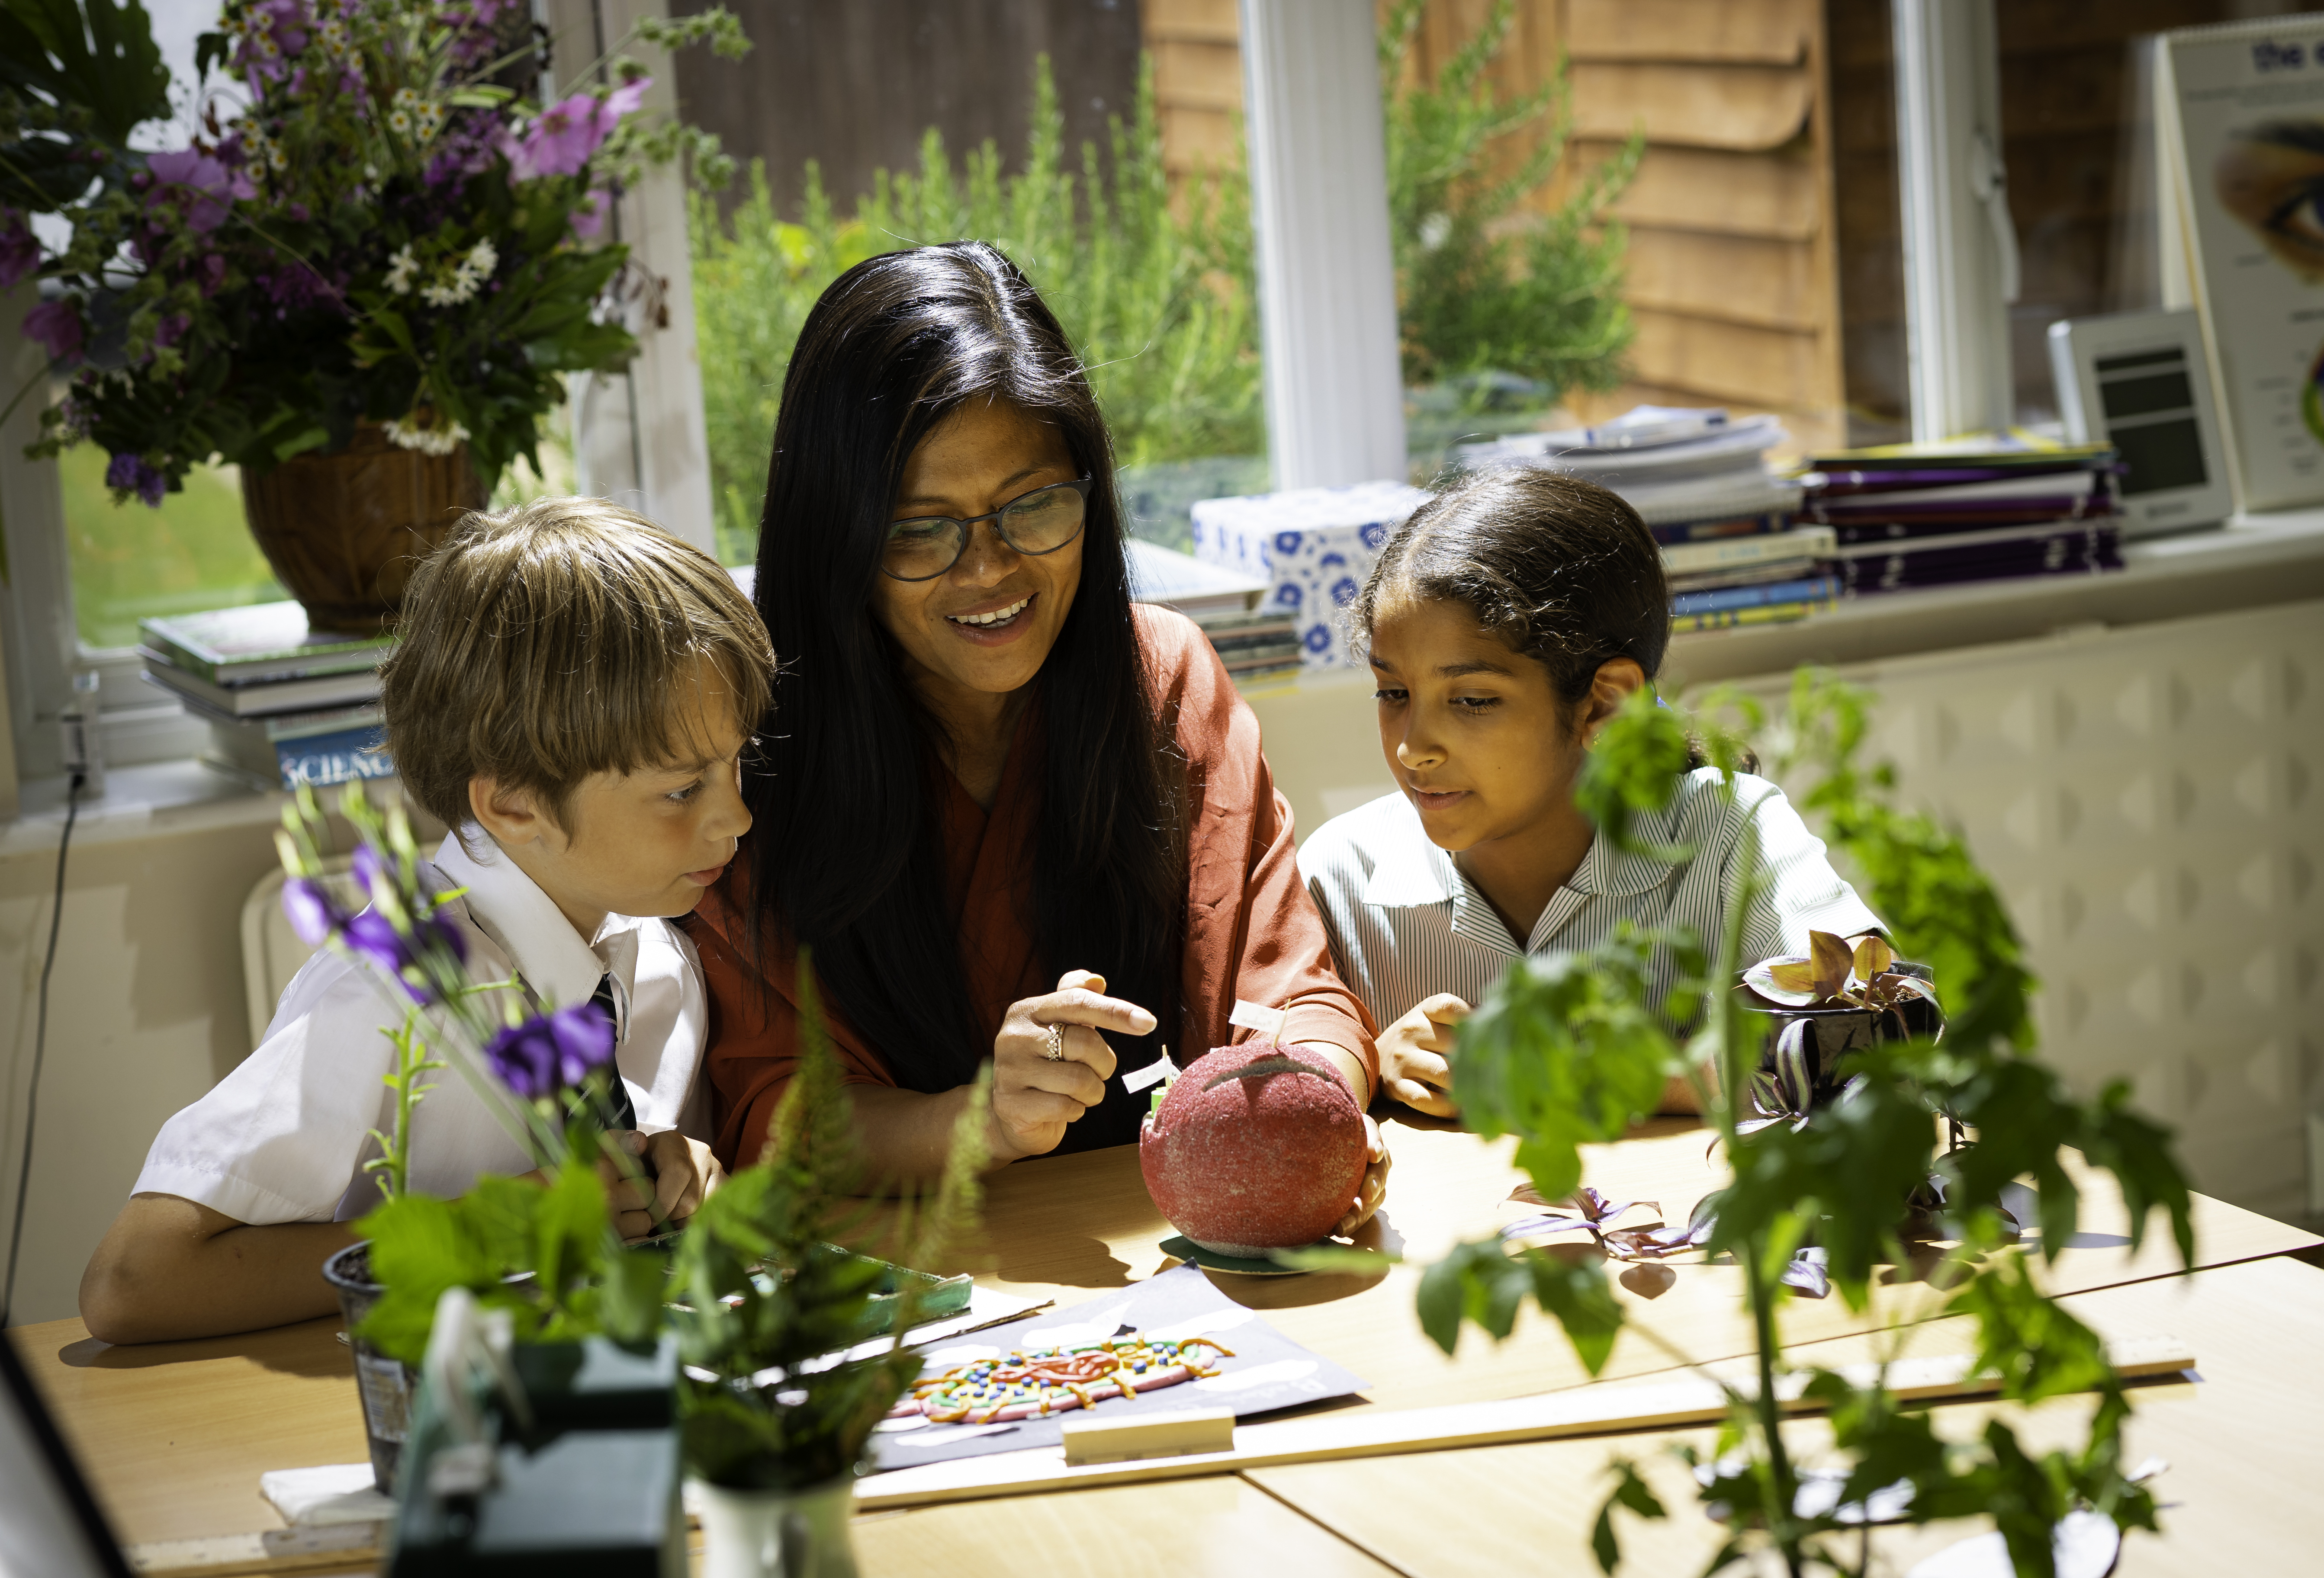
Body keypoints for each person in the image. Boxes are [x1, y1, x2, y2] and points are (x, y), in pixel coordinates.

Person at [689, 241, 1386, 1225]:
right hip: (905, 1277)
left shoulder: (1165, 676)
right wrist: (976, 1121)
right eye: (920, 529)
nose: (990, 569)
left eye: (1035, 507)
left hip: (1174, 1244)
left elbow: (1296, 994)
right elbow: (777, 1112)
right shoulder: (753, 751)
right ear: (834, 538)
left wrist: (1315, 1113)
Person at [79, 498, 773, 1343]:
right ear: (515, 805)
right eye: (681, 788)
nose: (735, 816)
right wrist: (502, 1225)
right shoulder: (393, 992)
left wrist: (669, 1173)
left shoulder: (653, 958)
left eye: (737, 765)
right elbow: (132, 1280)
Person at [1297, 467, 1883, 1119]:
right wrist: (1363, 1062)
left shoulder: (1731, 832)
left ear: (1606, 704)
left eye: (1472, 700)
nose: (1414, 748)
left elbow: (1874, 1039)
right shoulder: (1339, 875)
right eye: (1393, 693)